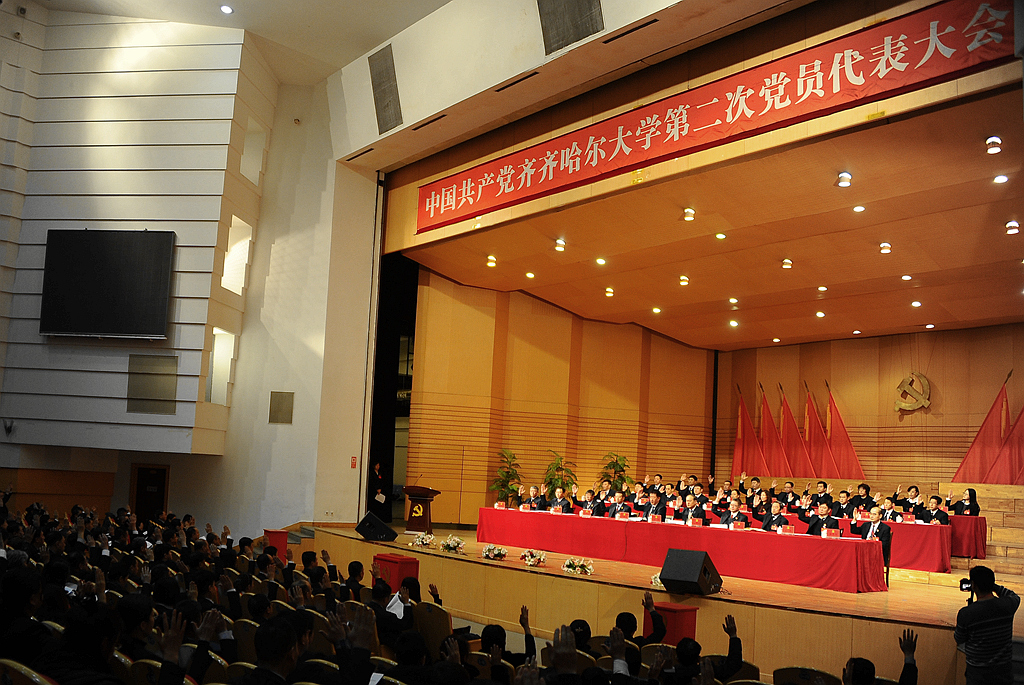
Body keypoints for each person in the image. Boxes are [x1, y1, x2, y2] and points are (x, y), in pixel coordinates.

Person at [954, 565, 1019, 684]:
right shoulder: (1007, 605)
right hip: (1003, 672)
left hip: (977, 674)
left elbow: (959, 638)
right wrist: (993, 586)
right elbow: (1014, 596)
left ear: (973, 585)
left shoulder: (966, 613)